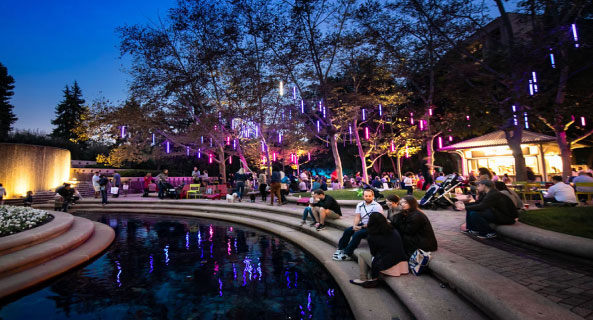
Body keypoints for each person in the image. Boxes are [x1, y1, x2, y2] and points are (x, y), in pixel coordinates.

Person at [350, 213, 408, 288]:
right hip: (403, 264)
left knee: (361, 254)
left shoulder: (372, 236)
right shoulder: (393, 230)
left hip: (389, 267)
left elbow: (373, 253)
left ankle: (363, 278)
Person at [333, 189, 384, 261]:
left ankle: (347, 254)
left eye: (370, 196)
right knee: (348, 230)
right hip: (363, 224)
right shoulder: (360, 205)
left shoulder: (377, 206)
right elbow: (357, 216)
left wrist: (361, 227)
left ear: (373, 196)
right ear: (363, 196)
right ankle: (341, 248)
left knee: (358, 234)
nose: (368, 197)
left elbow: (376, 221)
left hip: (374, 226)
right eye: (366, 196)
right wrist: (355, 226)